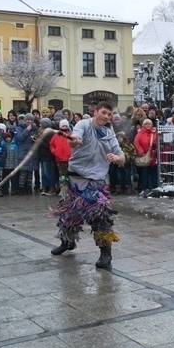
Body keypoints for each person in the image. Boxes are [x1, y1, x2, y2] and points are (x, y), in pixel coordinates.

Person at [49, 101, 125, 268]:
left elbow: (122, 157)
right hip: (75, 178)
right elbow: (75, 138)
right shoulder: (83, 124)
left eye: (109, 114)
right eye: (103, 112)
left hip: (97, 182)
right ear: (95, 111)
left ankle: (106, 254)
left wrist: (117, 158)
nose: (106, 116)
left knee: (101, 217)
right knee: (68, 214)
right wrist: (74, 141)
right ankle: (67, 242)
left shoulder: (109, 133)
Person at [133, 118, 159, 195]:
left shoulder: (155, 133)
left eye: (149, 124)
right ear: (143, 125)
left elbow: (158, 142)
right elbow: (136, 143)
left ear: (152, 125)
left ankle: (154, 188)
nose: (148, 125)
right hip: (144, 156)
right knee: (145, 173)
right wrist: (141, 152)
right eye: (146, 124)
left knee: (154, 172)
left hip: (154, 156)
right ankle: (145, 188)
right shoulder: (140, 133)